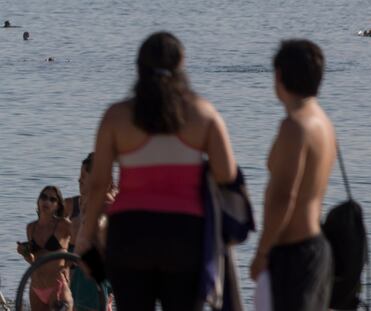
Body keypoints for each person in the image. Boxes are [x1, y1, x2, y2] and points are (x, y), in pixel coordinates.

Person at [75, 31, 237, 311]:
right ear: (181, 66)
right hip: (185, 235)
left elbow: (100, 184)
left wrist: (86, 239)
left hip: (131, 235)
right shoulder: (203, 114)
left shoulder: (117, 116)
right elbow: (227, 177)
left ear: (138, 67)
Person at [250, 39, 336, 311]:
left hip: (294, 252)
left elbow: (283, 196)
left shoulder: (295, 126)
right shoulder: (323, 122)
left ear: (278, 76)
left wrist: (262, 252)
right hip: (315, 249)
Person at [17, 186, 73, 311]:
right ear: (38, 201)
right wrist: (24, 253)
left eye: (52, 199)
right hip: (36, 288)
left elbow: (80, 244)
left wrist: (68, 264)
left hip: (57, 287)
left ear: (58, 206)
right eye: (44, 197)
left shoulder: (63, 225)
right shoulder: (31, 227)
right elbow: (33, 261)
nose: (46, 201)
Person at [70, 153, 114, 311]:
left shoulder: (106, 204)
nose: (79, 180)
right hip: (81, 283)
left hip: (95, 284)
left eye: (83, 176)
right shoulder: (87, 203)